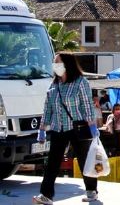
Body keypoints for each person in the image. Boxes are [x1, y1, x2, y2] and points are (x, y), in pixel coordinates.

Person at [33, 52, 100, 205]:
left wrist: (92, 127)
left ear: (67, 65)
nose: (55, 66)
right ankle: (46, 195)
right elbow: (48, 107)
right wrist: (42, 128)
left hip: (77, 127)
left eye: (58, 62)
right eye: (54, 63)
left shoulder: (80, 82)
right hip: (58, 128)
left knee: (84, 160)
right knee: (52, 162)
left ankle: (91, 191)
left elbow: (87, 106)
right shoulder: (54, 84)